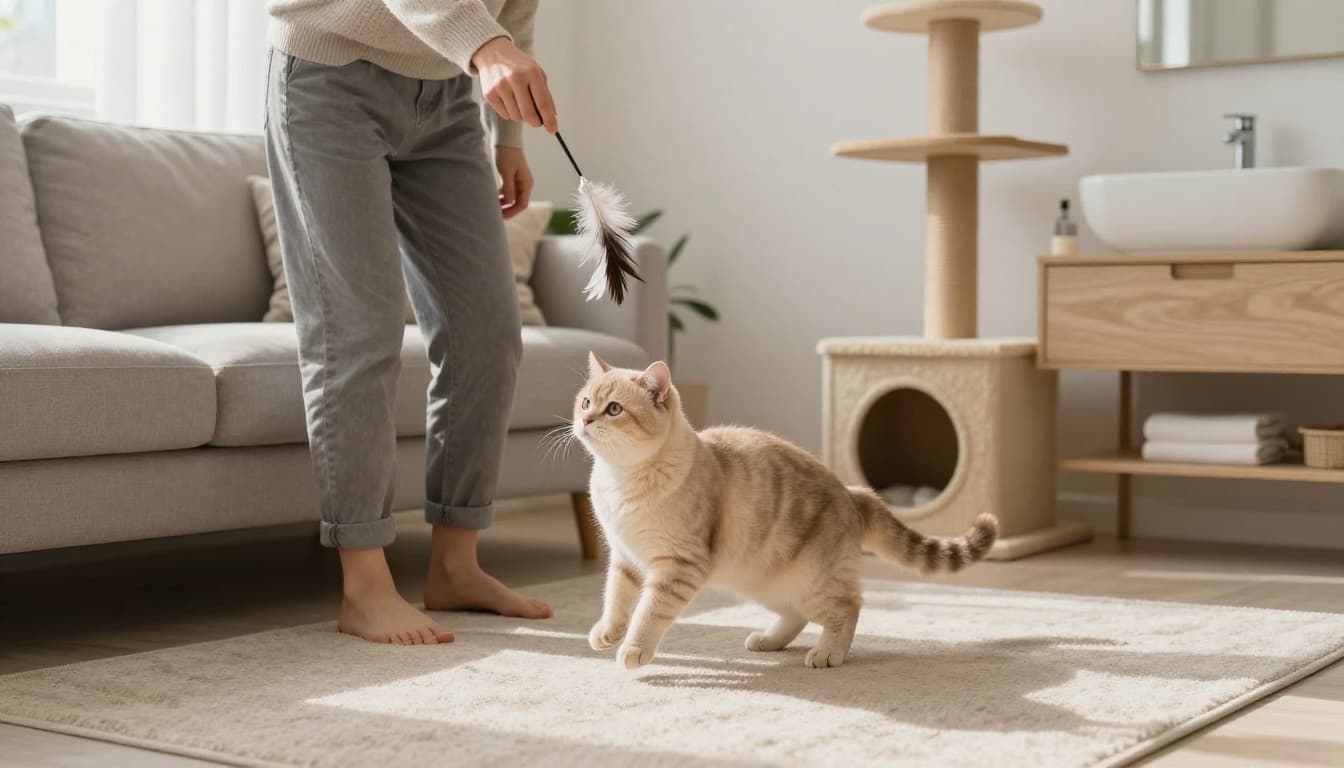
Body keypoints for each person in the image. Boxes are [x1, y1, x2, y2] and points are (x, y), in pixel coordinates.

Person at [263, 0, 559, 644]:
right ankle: (365, 588)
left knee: (487, 332)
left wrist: (509, 135)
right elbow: (490, 33)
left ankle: (456, 567)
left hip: (450, 96)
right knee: (356, 333)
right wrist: (487, 48)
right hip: (328, 75)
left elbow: (516, 9)